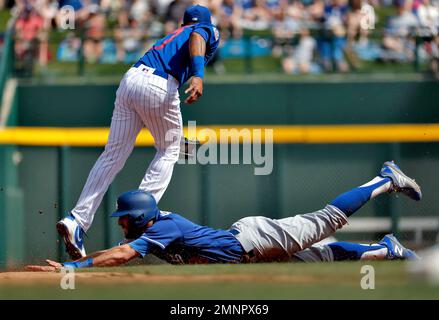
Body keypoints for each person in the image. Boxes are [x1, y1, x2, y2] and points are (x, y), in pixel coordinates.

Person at [27, 161, 421, 271]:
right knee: (319, 257)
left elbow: (125, 254)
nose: (120, 222)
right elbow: (121, 251)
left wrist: (73, 270)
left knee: (326, 221)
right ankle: (388, 250)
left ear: (140, 218)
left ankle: (384, 179)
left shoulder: (160, 226)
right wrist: (84, 261)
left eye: (123, 218)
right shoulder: (153, 229)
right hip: (248, 250)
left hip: (253, 240)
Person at [56, 4, 220, 261]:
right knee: (169, 150)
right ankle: (139, 225)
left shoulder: (172, 36)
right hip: (159, 84)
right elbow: (199, 36)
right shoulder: (205, 28)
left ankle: (77, 220)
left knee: (113, 155)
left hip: (132, 79)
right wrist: (198, 75)